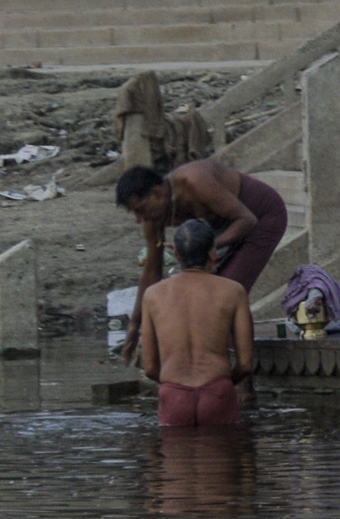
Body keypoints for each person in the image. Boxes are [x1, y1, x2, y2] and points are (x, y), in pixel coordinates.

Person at [116, 160, 287, 363]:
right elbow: (152, 273)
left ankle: (244, 382)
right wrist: (134, 327)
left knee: (226, 294)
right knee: (201, 294)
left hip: (262, 217)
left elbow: (246, 220)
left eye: (140, 210)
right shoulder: (152, 218)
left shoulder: (193, 181)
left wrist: (209, 245)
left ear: (157, 193)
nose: (138, 219)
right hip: (222, 232)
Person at [140, 219, 254, 426]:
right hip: (218, 393)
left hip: (173, 396)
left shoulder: (152, 295)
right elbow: (245, 364)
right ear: (212, 253)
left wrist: (174, 386)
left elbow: (149, 368)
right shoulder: (234, 291)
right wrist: (223, 385)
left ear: (176, 254)